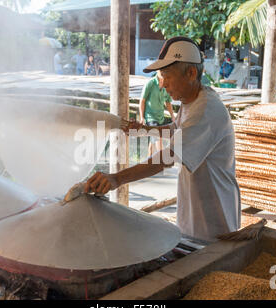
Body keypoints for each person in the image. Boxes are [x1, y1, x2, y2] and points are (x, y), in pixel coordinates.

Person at [85, 36, 241, 243]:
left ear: (191, 73)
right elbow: (176, 129)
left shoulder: (205, 111)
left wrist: (116, 179)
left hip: (213, 217)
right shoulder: (191, 100)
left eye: (167, 76)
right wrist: (145, 130)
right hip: (196, 209)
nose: (163, 85)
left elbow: (166, 158)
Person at [139, 70, 176, 157]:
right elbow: (142, 101)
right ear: (157, 71)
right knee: (157, 138)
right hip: (150, 117)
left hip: (160, 117)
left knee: (153, 140)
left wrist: (172, 116)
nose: (163, 72)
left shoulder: (167, 84)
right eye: (161, 70)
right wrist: (141, 117)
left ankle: (148, 161)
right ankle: (163, 159)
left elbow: (168, 102)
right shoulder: (150, 83)